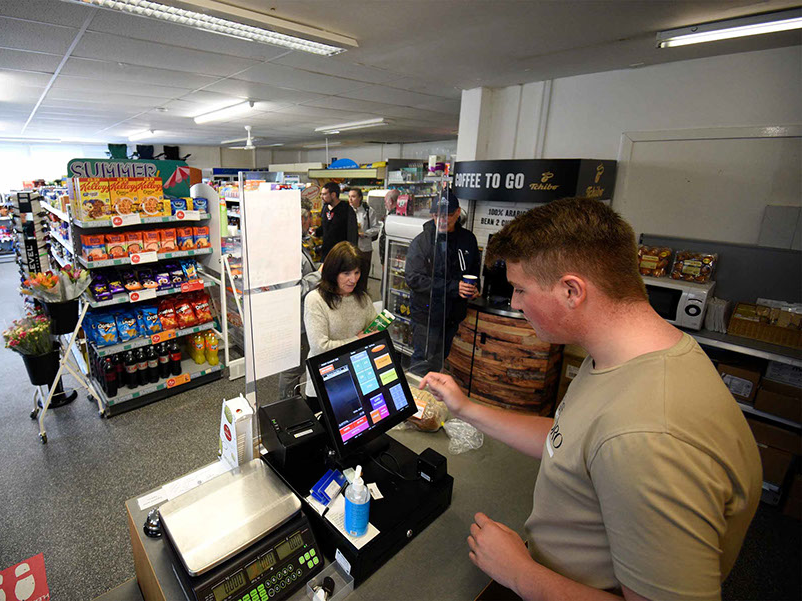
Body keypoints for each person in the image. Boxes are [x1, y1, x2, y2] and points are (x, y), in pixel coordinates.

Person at [419, 198, 762, 600]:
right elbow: (571, 440)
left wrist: (519, 573)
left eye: (521, 289)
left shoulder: (650, 435)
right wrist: (467, 409)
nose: (514, 303)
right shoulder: (625, 357)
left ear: (571, 290)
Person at [404, 190, 480, 375]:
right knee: (422, 362)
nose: (442, 220)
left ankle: (429, 400)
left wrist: (476, 289)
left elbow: (474, 270)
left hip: (452, 315)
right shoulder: (422, 242)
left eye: (448, 215)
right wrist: (454, 287)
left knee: (440, 360)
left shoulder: (468, 240)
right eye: (437, 215)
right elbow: (413, 279)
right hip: (426, 316)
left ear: (458, 213)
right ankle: (416, 401)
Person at [303, 242, 377, 411]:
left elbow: (372, 332)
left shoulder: (362, 298)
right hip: (326, 382)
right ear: (333, 272)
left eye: (357, 272)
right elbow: (320, 348)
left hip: (358, 377)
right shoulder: (315, 300)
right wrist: (357, 340)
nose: (353, 279)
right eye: (346, 273)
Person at [276, 207, 322, 401]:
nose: (311, 224)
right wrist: (319, 275)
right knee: (292, 369)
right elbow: (293, 290)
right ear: (301, 221)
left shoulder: (294, 245)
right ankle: (286, 407)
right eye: (309, 220)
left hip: (298, 318)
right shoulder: (290, 251)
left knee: (296, 366)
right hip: (296, 322)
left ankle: (293, 404)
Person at [313, 182, 357, 261]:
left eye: (324, 194)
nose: (321, 197)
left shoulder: (346, 209)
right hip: (326, 254)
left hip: (341, 254)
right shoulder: (325, 208)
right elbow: (325, 227)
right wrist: (316, 232)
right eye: (321, 194)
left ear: (333, 195)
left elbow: (353, 234)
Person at [347, 188, 380, 295]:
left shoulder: (368, 211)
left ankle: (362, 296)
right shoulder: (347, 211)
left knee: (363, 275)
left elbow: (376, 228)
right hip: (350, 248)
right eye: (349, 196)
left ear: (360, 198)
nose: (350, 199)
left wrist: (365, 233)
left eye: (353, 196)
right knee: (350, 275)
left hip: (364, 248)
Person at [377, 189, 400, 265]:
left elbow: (384, 240)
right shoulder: (401, 214)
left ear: (390, 201)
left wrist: (383, 261)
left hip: (389, 257)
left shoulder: (391, 217)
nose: (385, 204)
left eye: (385, 201)